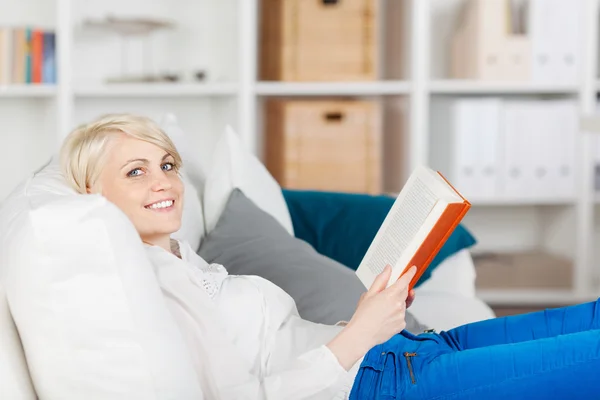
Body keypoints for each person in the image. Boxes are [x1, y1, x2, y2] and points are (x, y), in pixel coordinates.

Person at [60, 113, 600, 400]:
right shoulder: (145, 285)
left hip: (402, 352)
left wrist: (371, 314)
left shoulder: (179, 256)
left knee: (590, 319)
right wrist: (359, 333)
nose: (166, 182)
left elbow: (278, 347)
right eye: (136, 171)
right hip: (382, 385)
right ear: (90, 193)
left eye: (167, 164)